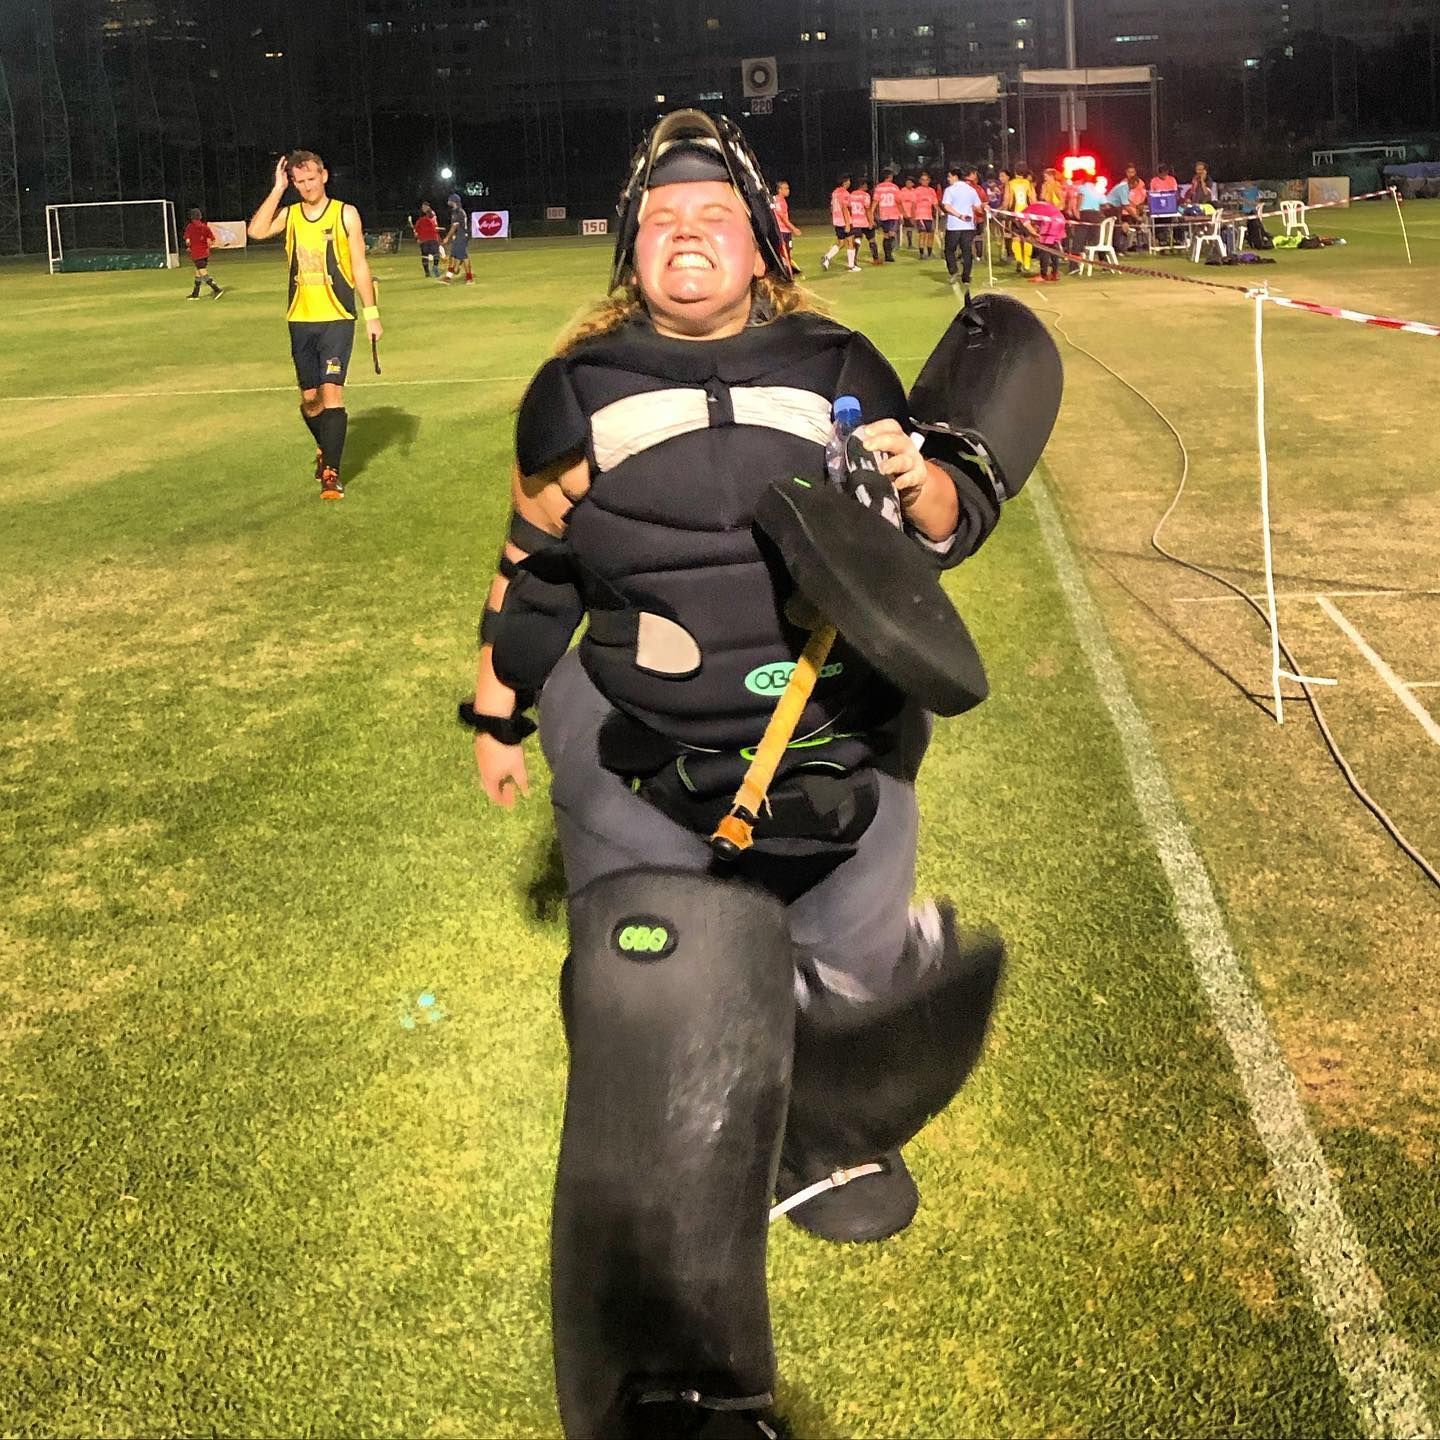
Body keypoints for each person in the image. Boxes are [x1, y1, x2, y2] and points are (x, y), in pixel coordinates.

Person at [465, 108, 1023, 1439]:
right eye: (661, 221)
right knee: (661, 998)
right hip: (652, 740)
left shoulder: (839, 362)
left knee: (851, 943)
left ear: (764, 246)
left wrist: (924, 485)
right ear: (628, 251)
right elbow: (534, 557)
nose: (687, 234)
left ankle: (825, 1127)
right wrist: (494, 707)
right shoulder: (574, 394)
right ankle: (670, 1281)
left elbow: (939, 529)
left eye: (713, 215)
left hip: (835, 734)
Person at [246, 150, 382, 501]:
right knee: (311, 401)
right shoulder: (289, 215)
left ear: (324, 176)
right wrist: (277, 189)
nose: (307, 186)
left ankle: (331, 474)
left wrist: (372, 315)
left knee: (332, 393)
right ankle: (326, 446)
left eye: (311, 178)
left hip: (337, 317)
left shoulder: (344, 214)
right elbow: (256, 230)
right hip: (300, 319)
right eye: (299, 181)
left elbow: (360, 265)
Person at [1023, 192, 1066, 283]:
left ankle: (1043, 275)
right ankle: (1054, 273)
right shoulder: (1045, 205)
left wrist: (1035, 234)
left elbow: (1027, 224)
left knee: (1044, 249)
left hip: (1051, 223)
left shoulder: (1027, 210)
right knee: (1053, 249)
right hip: (1061, 219)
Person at [182, 207, 224, 299]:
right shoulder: (205, 227)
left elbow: (188, 241)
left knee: (203, 273)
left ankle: (217, 289)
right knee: (198, 273)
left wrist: (190, 247)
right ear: (200, 216)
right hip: (205, 253)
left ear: (191, 217)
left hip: (196, 254)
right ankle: (195, 294)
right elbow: (212, 240)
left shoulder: (190, 227)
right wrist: (208, 245)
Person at [1004, 163, 1036, 274]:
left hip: (1015, 215)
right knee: (1028, 238)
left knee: (1016, 238)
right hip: (1027, 215)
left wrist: (1002, 210)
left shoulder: (1010, 184)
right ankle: (1027, 264)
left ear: (1015, 171)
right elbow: (1033, 200)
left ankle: (1019, 260)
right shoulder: (1028, 184)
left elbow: (1007, 200)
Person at [771, 178, 803, 277]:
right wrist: (794, 229)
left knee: (786, 254)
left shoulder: (775, 199)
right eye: (785, 188)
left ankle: (787, 272)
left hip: (780, 231)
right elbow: (783, 218)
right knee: (786, 254)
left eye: (788, 188)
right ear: (779, 190)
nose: (788, 190)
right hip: (783, 231)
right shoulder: (780, 201)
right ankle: (788, 274)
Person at [820, 172, 850, 270]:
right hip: (843, 221)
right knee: (850, 242)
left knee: (841, 243)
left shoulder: (835, 192)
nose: (850, 183)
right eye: (848, 181)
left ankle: (827, 257)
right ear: (845, 182)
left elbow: (832, 207)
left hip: (837, 220)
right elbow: (844, 208)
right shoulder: (844, 193)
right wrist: (847, 224)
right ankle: (852, 266)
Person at [848, 177, 880, 266]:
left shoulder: (851, 195)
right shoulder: (865, 195)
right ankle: (876, 259)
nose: (867, 187)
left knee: (857, 240)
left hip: (855, 222)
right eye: (865, 185)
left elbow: (849, 208)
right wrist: (871, 221)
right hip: (864, 221)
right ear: (862, 185)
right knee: (872, 239)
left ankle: (853, 260)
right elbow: (867, 210)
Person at [442, 192, 473, 284]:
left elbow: (454, 226)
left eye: (450, 200)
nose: (448, 201)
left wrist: (447, 237)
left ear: (453, 201)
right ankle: (448, 277)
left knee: (464, 257)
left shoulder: (458, 212)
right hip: (459, 236)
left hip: (461, 236)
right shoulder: (457, 211)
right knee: (453, 256)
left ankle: (469, 278)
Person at [873, 168, 902, 262]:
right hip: (893, 214)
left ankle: (887, 255)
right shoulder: (894, 187)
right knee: (892, 234)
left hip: (883, 214)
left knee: (885, 235)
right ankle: (889, 254)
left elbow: (876, 201)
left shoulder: (878, 187)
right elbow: (898, 201)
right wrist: (902, 213)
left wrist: (874, 213)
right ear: (889, 177)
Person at [911, 170, 938, 259]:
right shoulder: (917, 191)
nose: (925, 181)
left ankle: (929, 253)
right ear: (920, 181)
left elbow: (935, 203)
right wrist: (913, 216)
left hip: (929, 216)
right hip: (920, 216)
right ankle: (922, 254)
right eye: (923, 180)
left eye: (926, 180)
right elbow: (914, 204)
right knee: (922, 234)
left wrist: (940, 211)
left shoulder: (932, 191)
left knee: (931, 234)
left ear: (929, 180)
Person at [412, 201, 442, 278]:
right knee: (435, 254)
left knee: (425, 256)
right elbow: (435, 227)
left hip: (425, 240)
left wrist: (417, 237)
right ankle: (434, 267)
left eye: (424, 207)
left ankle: (428, 272)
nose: (423, 208)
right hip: (432, 238)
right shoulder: (429, 219)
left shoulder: (423, 219)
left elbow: (416, 231)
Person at [899, 174, 917, 250]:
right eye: (907, 182)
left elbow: (915, 203)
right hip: (903, 213)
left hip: (911, 213)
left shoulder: (914, 191)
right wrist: (903, 213)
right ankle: (896, 244)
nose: (908, 184)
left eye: (910, 182)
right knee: (899, 228)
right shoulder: (902, 191)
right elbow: (899, 202)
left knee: (909, 229)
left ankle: (910, 244)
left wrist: (914, 214)